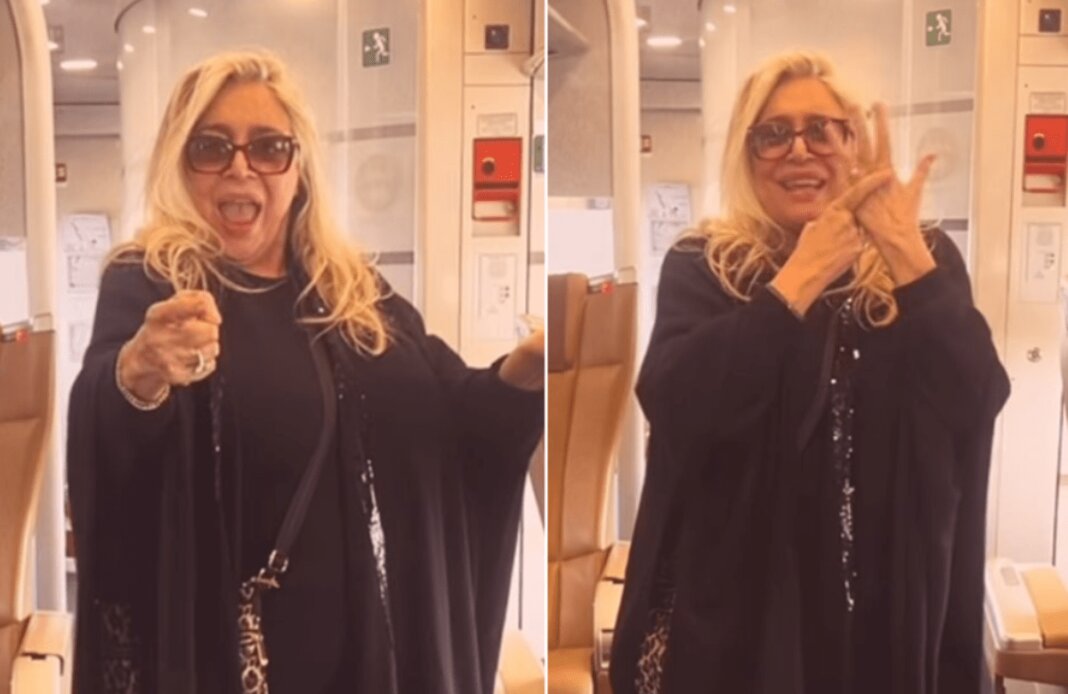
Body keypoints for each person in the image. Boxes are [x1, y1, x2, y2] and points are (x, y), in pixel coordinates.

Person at [67, 50, 544, 694]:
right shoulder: (152, 282)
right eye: (212, 147)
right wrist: (139, 374)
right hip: (230, 662)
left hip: (371, 657)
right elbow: (105, 428)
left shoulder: (353, 294)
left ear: (299, 170)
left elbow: (452, 415)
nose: (241, 167)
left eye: (269, 147)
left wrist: (524, 371)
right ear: (181, 164)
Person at [609, 51, 1010, 694]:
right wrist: (796, 280)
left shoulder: (923, 259)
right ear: (746, 156)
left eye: (821, 130)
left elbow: (978, 396)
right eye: (773, 134)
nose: (799, 150)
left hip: (892, 609)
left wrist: (902, 251)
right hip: (750, 622)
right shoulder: (706, 264)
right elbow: (676, 403)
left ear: (854, 142)